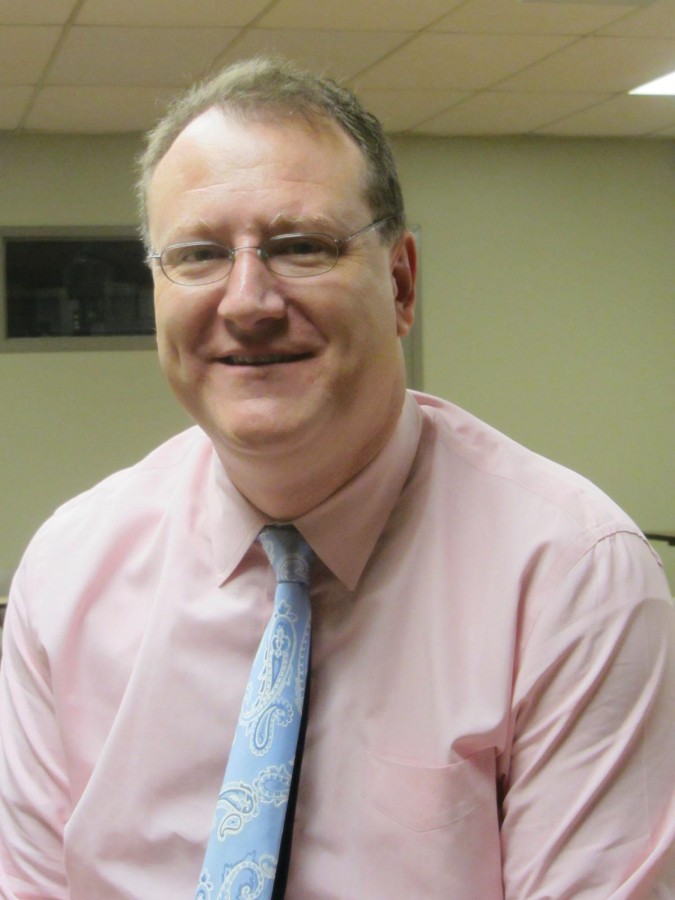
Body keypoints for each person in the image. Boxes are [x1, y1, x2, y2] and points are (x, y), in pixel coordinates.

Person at [0, 56, 673, 900]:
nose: (246, 301)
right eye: (200, 254)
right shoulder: (68, 573)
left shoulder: (571, 578)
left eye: (300, 246)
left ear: (399, 283)